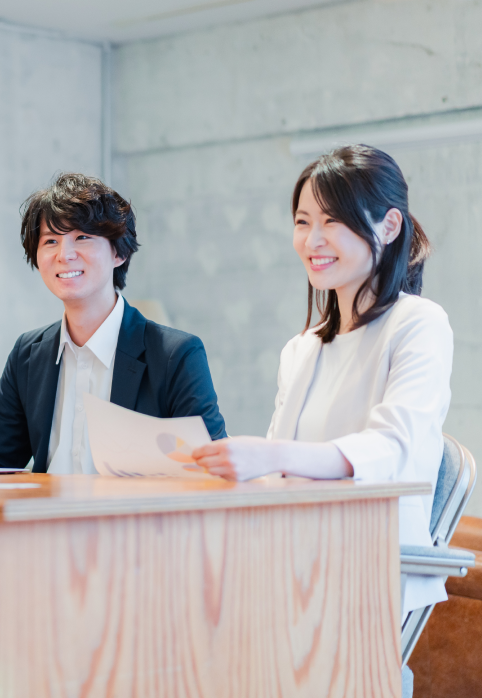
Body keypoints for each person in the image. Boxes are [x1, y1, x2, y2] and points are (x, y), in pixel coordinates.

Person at [191, 146, 449, 693]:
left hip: (365, 570)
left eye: (332, 221)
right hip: (287, 561)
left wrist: (272, 455)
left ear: (389, 225)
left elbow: (394, 449)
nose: (312, 241)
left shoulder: (419, 324)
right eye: (303, 222)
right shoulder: (302, 348)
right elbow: (278, 477)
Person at [0, 173, 226, 474]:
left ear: (119, 251)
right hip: (44, 518)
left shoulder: (175, 355)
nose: (64, 255)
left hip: (133, 519)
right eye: (50, 241)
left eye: (82, 237)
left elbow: (212, 473)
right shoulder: (28, 354)